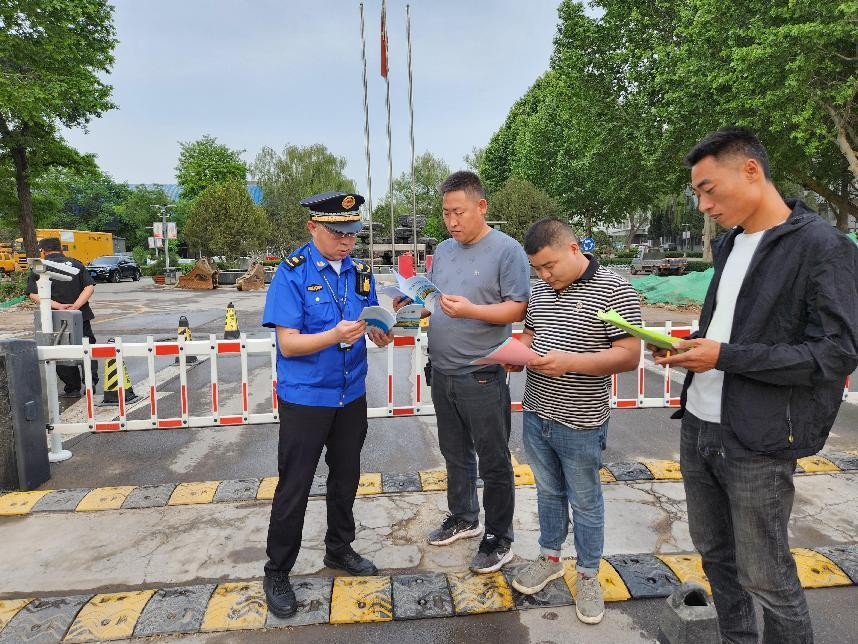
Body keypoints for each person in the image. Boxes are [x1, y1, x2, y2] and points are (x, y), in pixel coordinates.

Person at [653, 127, 858, 643]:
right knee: (716, 557)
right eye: (696, 193)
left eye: (707, 188)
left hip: (759, 436)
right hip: (699, 422)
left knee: (766, 574)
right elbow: (727, 329)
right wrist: (692, 351)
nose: (702, 204)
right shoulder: (730, 245)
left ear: (750, 170)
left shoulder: (821, 246)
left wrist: (724, 355)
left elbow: (835, 352)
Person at [261, 191, 394, 618]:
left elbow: (370, 324)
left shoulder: (361, 273)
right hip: (306, 399)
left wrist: (380, 332)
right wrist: (333, 336)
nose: (347, 241)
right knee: (294, 486)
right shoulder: (291, 275)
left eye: (352, 233)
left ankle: (339, 548)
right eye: (337, 233)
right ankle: (278, 570)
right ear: (313, 228)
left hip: (350, 394)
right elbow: (289, 343)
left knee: (346, 478)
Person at [507, 218, 640, 625]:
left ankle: (587, 574)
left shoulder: (616, 290)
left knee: (584, 500)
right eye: (537, 270)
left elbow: (630, 355)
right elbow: (531, 333)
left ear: (573, 249)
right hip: (537, 412)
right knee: (547, 492)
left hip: (581, 419)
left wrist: (572, 363)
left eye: (549, 266)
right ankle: (550, 558)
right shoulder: (541, 291)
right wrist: (515, 352)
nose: (545, 276)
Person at [396, 170, 530, 573]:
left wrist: (471, 310)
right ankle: (464, 517)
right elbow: (432, 302)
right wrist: (401, 317)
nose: (452, 221)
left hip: (483, 374)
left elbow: (518, 308)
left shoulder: (508, 251)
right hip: (444, 371)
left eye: (459, 212)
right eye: (446, 213)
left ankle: (499, 536)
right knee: (454, 452)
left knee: (493, 459)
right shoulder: (444, 250)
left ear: (481, 206)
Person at [26, 237, 99, 396]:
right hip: (81, 316)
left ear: (43, 251)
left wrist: (59, 306)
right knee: (87, 347)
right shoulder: (76, 264)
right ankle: (89, 382)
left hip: (54, 317)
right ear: (61, 249)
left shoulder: (41, 267)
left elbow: (33, 294)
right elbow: (89, 287)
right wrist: (76, 306)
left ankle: (72, 387)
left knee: (59, 350)